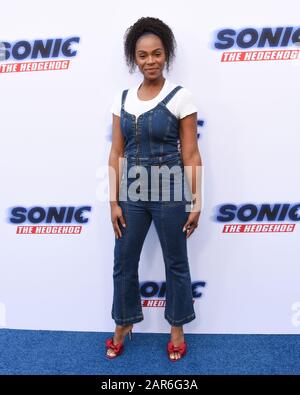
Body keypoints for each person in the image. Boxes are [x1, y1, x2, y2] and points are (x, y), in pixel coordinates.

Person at [106, 16, 202, 361]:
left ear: (167, 55)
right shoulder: (122, 98)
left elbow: (190, 152)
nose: (150, 61)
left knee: (176, 262)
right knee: (123, 261)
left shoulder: (181, 97)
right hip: (131, 192)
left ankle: (177, 328)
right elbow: (117, 152)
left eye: (157, 53)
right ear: (134, 58)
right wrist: (113, 200)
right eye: (143, 55)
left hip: (170, 190)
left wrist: (196, 199)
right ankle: (123, 324)